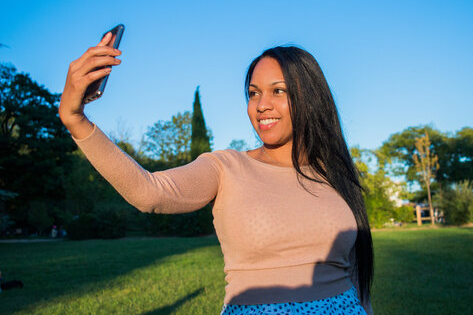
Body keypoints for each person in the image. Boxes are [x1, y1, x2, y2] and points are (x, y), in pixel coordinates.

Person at [59, 33, 374, 314]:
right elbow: (149, 192)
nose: (261, 105)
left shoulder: (337, 174)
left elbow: (357, 279)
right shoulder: (226, 167)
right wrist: (75, 118)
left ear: (310, 98)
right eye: (253, 93)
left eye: (278, 91)